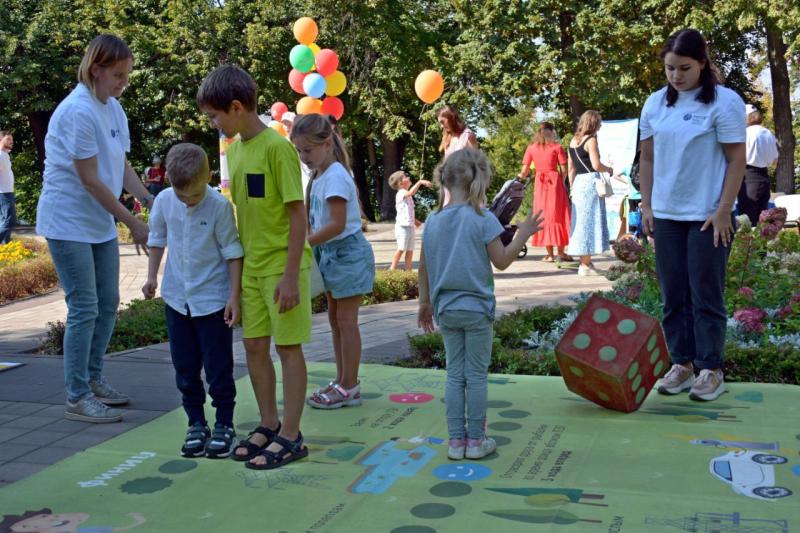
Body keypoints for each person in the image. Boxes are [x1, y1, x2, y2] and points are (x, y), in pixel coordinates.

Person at [197, 64, 311, 469]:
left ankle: (292, 435)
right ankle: (269, 423)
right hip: (252, 267)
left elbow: (299, 216)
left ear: (236, 106)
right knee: (255, 346)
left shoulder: (277, 148)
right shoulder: (236, 149)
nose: (213, 124)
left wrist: (290, 276)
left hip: (283, 267)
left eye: (215, 116)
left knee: (288, 348)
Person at [36, 35, 152, 423]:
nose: (123, 82)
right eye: (117, 74)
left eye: (126, 75)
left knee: (107, 304)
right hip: (67, 221)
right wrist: (131, 221)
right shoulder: (77, 112)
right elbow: (90, 180)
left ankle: (94, 377)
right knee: (84, 307)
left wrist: (151, 201)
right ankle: (77, 395)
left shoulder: (113, 109)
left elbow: (119, 167)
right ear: (96, 69)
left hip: (97, 222)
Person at [639, 28, 746, 402]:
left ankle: (710, 369)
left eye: (684, 68)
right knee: (673, 296)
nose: (676, 76)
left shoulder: (725, 102)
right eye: (669, 69)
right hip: (667, 214)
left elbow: (736, 161)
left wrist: (722, 211)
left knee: (706, 294)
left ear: (702, 63)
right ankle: (681, 364)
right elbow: (648, 158)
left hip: (708, 216)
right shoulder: (654, 104)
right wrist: (647, 205)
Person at [418, 148, 543, 460]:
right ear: (479, 181)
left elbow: (424, 267)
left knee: (453, 374)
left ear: (444, 181)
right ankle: (476, 441)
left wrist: (424, 303)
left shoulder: (433, 221)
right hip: (476, 310)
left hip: (446, 308)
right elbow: (501, 261)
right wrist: (523, 234)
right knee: (475, 376)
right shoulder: (482, 218)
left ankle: (455, 442)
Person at [142, 143, 243, 458]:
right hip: (177, 299)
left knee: (218, 368)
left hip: (212, 300)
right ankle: (196, 423)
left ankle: (224, 423)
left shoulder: (218, 206)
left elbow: (232, 253)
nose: (188, 202)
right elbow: (157, 239)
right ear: (170, 180)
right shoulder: (164, 201)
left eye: (194, 196)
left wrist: (233, 296)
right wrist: (151, 277)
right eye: (181, 195)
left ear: (207, 178)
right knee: (185, 367)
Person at [293, 114, 376, 409]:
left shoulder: (337, 176)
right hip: (330, 254)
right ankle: (342, 379)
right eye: (299, 151)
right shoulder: (319, 177)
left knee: (346, 321)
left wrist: (302, 245)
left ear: (327, 144)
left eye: (308, 150)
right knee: (335, 320)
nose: (304, 157)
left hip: (347, 254)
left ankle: (349, 385)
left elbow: (337, 225)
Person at [567, 110, 614, 275]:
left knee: (581, 223)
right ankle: (585, 265)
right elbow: (596, 165)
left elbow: (571, 168)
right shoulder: (591, 140)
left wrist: (572, 187)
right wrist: (609, 169)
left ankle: (586, 262)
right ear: (593, 124)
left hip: (579, 183)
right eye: (599, 123)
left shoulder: (573, 141)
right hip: (590, 182)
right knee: (588, 223)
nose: (600, 126)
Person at [518, 122, 572, 262]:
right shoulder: (557, 147)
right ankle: (561, 252)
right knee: (558, 215)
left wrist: (518, 180)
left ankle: (549, 255)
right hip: (555, 182)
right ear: (551, 131)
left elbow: (524, 172)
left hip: (540, 183)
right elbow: (564, 169)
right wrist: (561, 180)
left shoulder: (531, 148)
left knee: (544, 215)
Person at [738, 104, 778, 225]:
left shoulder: (745, 133)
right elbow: (774, 161)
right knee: (762, 222)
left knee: (746, 222)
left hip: (748, 178)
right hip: (764, 178)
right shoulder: (768, 133)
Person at [388, 170, 431, 270]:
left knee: (410, 250)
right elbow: (411, 192)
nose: (408, 177)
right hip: (402, 227)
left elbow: (408, 213)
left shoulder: (407, 196)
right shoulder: (401, 193)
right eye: (405, 176)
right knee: (401, 248)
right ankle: (392, 269)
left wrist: (418, 223)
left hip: (409, 227)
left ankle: (408, 271)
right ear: (401, 183)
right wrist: (420, 182)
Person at [437, 105, 478, 206]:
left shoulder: (468, 136)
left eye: (443, 122)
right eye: (440, 123)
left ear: (451, 117)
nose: (442, 126)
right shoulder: (447, 137)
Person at [0, 130, 15, 244]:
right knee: (9, 220)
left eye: (12, 139)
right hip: (4, 193)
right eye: (8, 139)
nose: (11, 141)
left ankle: (6, 247)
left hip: (7, 192)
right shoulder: (0, 156)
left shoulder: (5, 155)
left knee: (3, 220)